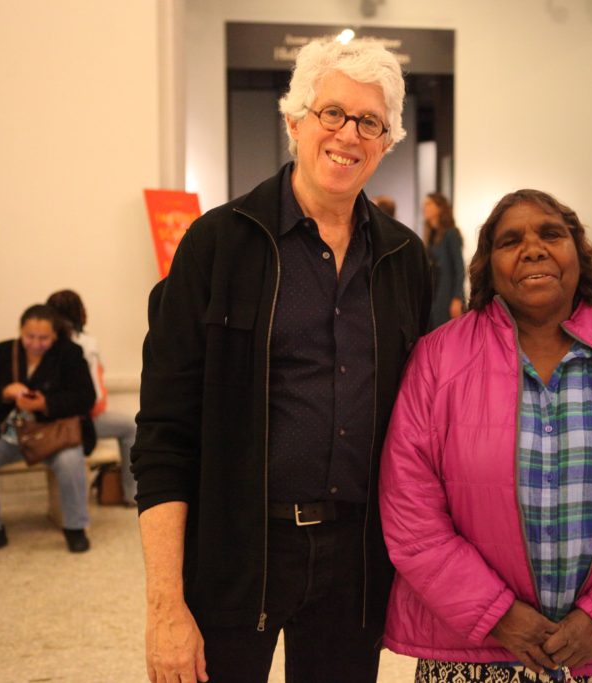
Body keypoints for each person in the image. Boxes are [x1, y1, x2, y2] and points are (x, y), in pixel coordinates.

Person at [131, 38, 431, 683]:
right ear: (295, 120)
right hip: (237, 550)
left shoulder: (406, 261)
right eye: (332, 113)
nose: (348, 135)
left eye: (369, 122)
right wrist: (164, 607)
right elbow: (163, 436)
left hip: (356, 560)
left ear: (386, 142)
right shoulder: (216, 245)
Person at [380, 189, 592, 682]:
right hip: (470, 653)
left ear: (578, 253)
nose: (533, 248)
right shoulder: (437, 360)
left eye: (551, 234)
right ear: (489, 265)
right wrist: (498, 615)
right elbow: (410, 510)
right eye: (511, 241)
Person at [0, 304, 96, 556]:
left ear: (55, 335)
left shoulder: (69, 354)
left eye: (44, 338)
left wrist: (45, 403)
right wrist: (4, 392)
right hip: (7, 434)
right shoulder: (0, 352)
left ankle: (75, 528)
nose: (36, 343)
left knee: (71, 461)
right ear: (20, 331)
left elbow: (84, 398)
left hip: (53, 433)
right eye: (30, 336)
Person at [47, 289, 138, 506]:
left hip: (51, 418)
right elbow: (95, 396)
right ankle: (131, 493)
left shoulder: (45, 343)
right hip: (82, 418)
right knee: (131, 427)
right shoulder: (85, 344)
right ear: (79, 312)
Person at [422, 191, 466, 330]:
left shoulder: (451, 234)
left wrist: (457, 299)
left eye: (429, 204)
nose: (425, 208)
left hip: (447, 295)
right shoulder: (431, 236)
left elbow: (459, 268)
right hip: (434, 294)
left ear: (440, 208)